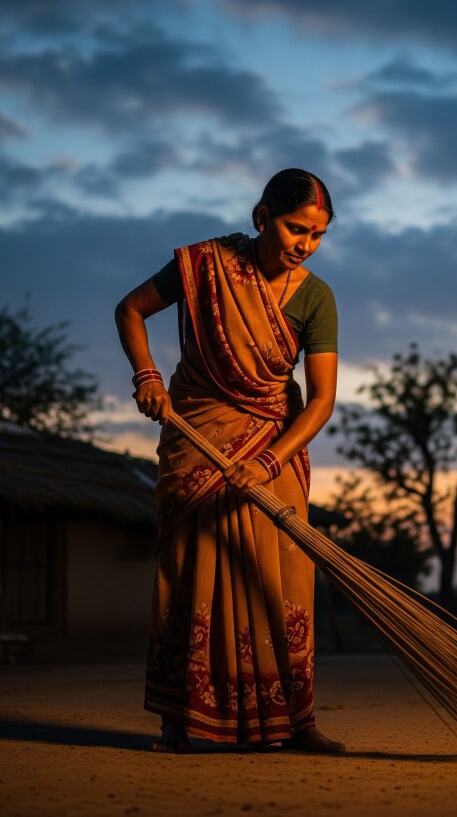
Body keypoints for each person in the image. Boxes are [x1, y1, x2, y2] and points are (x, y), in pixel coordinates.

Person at [115, 169, 344, 753]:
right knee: (195, 571)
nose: (305, 245)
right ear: (263, 215)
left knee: (283, 581)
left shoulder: (316, 297)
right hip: (197, 439)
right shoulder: (204, 268)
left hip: (276, 447)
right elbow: (131, 310)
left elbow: (320, 402)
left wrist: (269, 461)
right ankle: (179, 720)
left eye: (317, 236)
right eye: (297, 229)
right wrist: (147, 375)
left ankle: (297, 722)